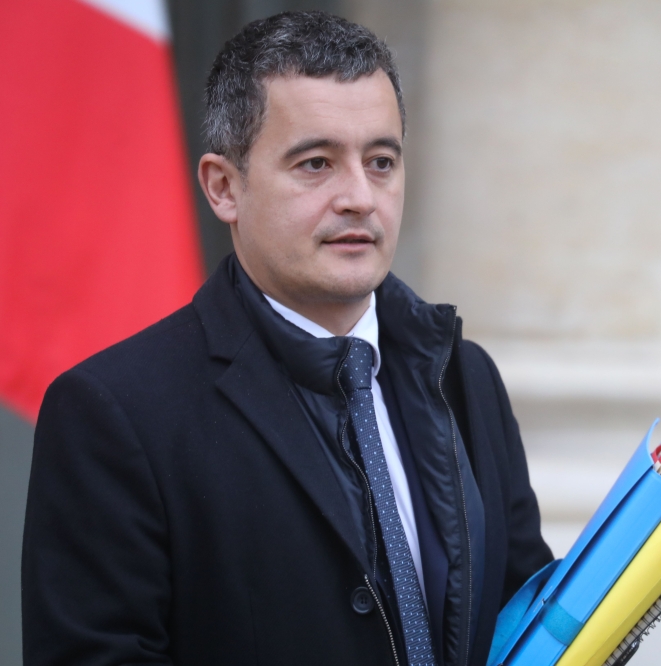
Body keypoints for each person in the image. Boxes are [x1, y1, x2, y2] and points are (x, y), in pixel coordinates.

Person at [21, 12, 552, 666]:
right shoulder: (112, 412)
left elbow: (524, 613)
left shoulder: (464, 377)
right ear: (224, 187)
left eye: (381, 161)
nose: (360, 196)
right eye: (315, 164)